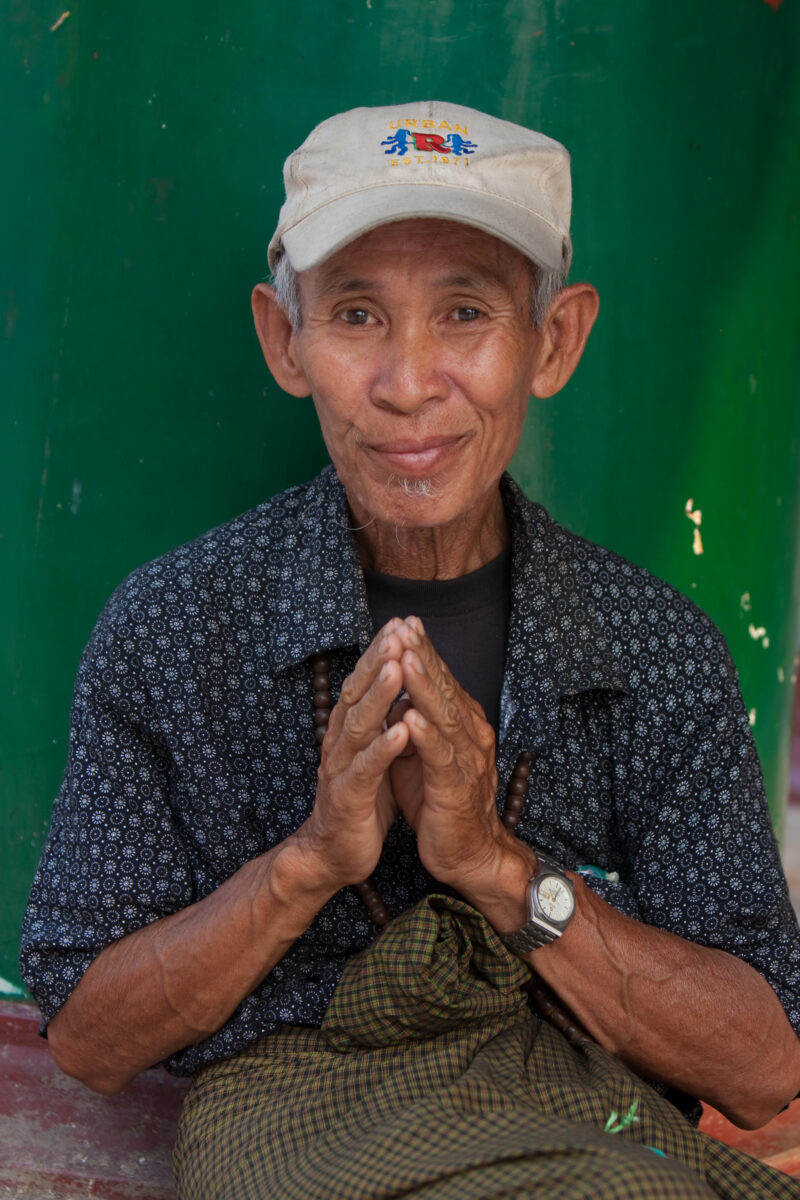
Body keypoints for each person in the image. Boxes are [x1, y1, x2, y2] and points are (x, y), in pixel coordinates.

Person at [20, 102, 800, 1198]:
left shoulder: (652, 650)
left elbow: (764, 1069)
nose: (408, 383)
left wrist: (494, 864)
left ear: (554, 341)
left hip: (589, 1121)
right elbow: (88, 1039)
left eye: (465, 313)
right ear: (285, 341)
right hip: (296, 1123)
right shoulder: (175, 629)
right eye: (356, 315)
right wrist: (308, 863)